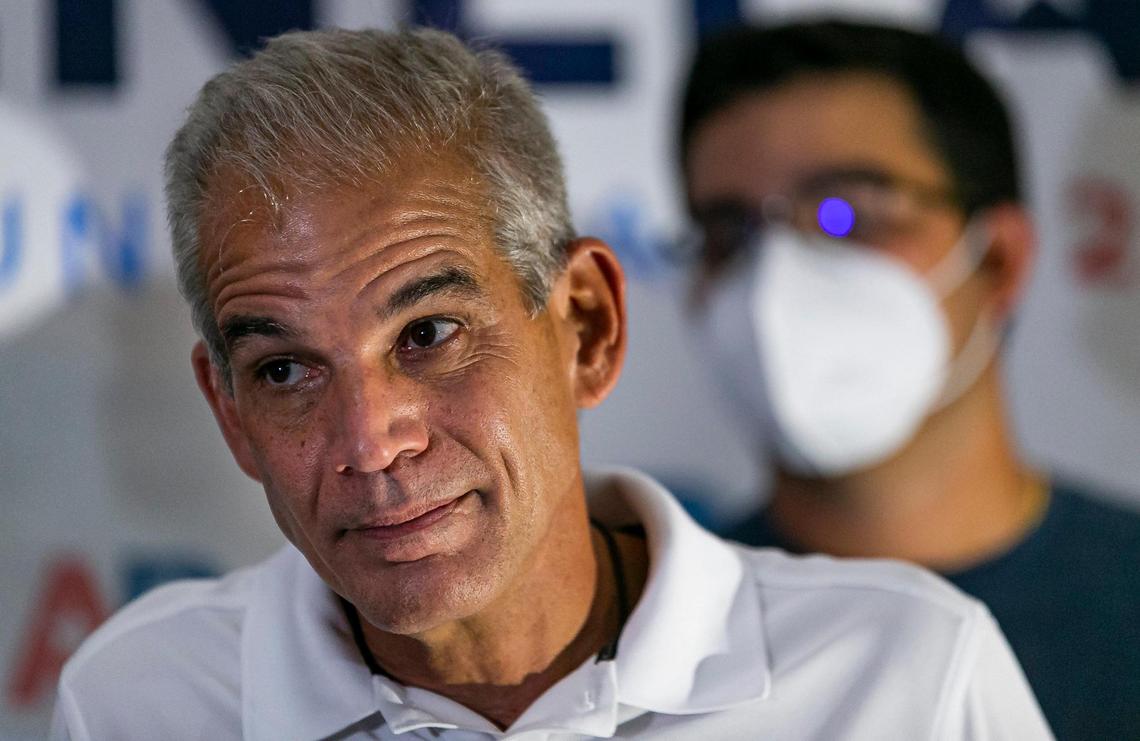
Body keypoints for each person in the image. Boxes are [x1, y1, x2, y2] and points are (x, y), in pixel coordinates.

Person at [52, 26, 1050, 740]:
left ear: (587, 326)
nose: (371, 441)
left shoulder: (908, 675)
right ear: (229, 412)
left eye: (429, 332)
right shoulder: (142, 701)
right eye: (283, 370)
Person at [679, 20, 1140, 740]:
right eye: (729, 232)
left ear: (999, 261)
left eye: (845, 213)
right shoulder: (657, 645)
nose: (773, 284)